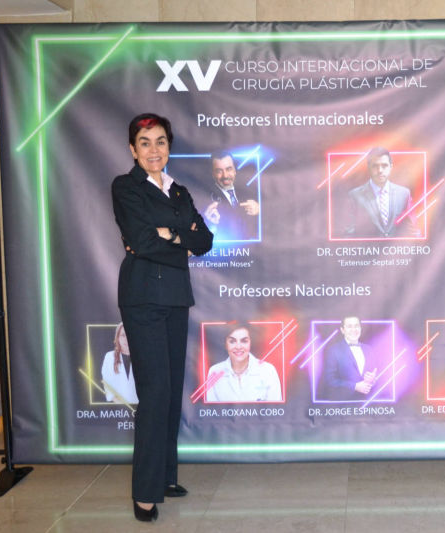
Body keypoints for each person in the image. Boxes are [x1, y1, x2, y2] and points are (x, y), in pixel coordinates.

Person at [112, 113, 213, 522]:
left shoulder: (178, 190)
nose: (154, 150)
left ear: (169, 147)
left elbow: (204, 241)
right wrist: (177, 237)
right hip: (143, 299)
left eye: (160, 142)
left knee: (170, 394)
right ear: (132, 149)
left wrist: (169, 234)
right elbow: (141, 242)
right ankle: (145, 492)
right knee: (155, 394)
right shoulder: (126, 187)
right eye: (145, 142)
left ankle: (166, 477)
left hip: (175, 298)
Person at [344, 147, 419, 238]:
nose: (380, 170)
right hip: (367, 247)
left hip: (397, 247)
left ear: (391, 167)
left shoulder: (404, 194)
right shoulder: (355, 195)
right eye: (375, 166)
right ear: (368, 167)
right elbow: (348, 234)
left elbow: (414, 231)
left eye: (384, 166)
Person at [205, 323, 282, 402]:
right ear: (225, 344)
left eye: (244, 341)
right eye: (232, 341)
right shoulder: (214, 371)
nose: (238, 347)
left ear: (250, 343)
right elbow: (211, 408)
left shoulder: (268, 370)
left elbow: (275, 408)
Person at [202, 150, 259, 241]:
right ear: (213, 174)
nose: (225, 176)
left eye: (228, 169)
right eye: (219, 171)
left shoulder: (249, 193)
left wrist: (259, 212)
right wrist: (207, 222)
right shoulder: (203, 197)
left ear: (234, 171)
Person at [321, 316, 378, 401]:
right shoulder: (334, 350)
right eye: (349, 326)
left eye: (356, 326)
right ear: (342, 330)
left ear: (360, 328)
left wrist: (372, 380)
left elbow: (375, 377)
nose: (354, 329)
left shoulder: (369, 349)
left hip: (367, 403)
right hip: (343, 404)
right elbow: (329, 381)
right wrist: (354, 386)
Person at [100, 322, 138, 404]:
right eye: (123, 335)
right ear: (118, 338)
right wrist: (121, 405)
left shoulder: (143, 356)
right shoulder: (109, 357)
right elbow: (107, 384)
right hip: (118, 407)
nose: (126, 339)